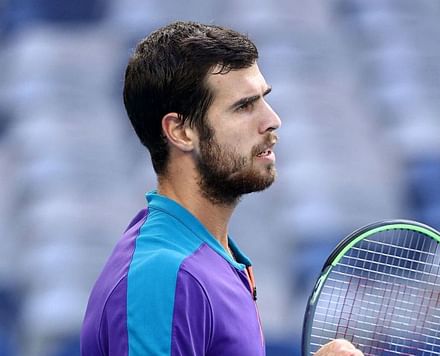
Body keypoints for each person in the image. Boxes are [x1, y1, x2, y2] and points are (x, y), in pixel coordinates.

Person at [80, 21, 363, 356]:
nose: (272, 119)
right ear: (181, 132)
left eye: (264, 98)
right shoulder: (165, 278)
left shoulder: (205, 258)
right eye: (244, 106)